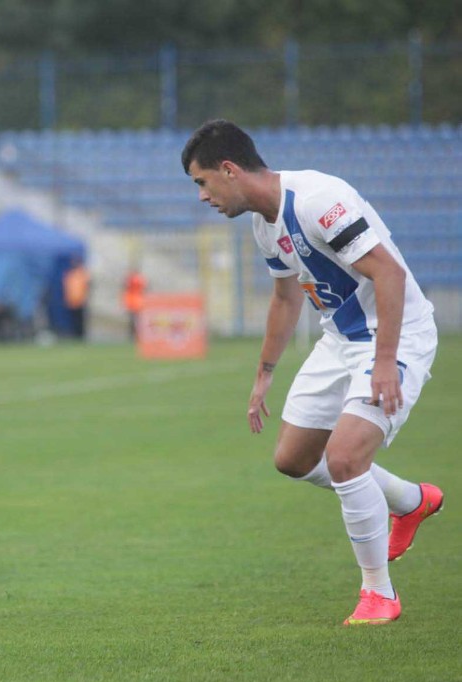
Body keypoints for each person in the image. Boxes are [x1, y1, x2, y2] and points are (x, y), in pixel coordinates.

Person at [181, 120, 443, 626]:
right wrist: (264, 374)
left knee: (345, 458)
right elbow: (284, 300)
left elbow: (387, 272)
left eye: (202, 182)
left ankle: (379, 595)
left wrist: (385, 361)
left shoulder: (318, 198)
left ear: (229, 170)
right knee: (293, 459)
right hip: (341, 340)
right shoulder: (264, 224)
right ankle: (410, 502)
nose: (202, 196)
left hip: (395, 333)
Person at [62, 256, 91, 338]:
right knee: (72, 320)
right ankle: (74, 335)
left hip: (80, 300)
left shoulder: (82, 273)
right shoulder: (69, 274)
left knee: (80, 320)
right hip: (71, 301)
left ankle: (80, 335)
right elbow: (66, 287)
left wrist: (85, 297)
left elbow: (87, 286)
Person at [122, 267, 147, 341]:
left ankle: (134, 335)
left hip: (132, 300)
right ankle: (136, 335)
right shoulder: (140, 279)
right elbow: (145, 288)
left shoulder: (130, 279)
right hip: (138, 300)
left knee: (134, 320)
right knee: (136, 319)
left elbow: (125, 287)